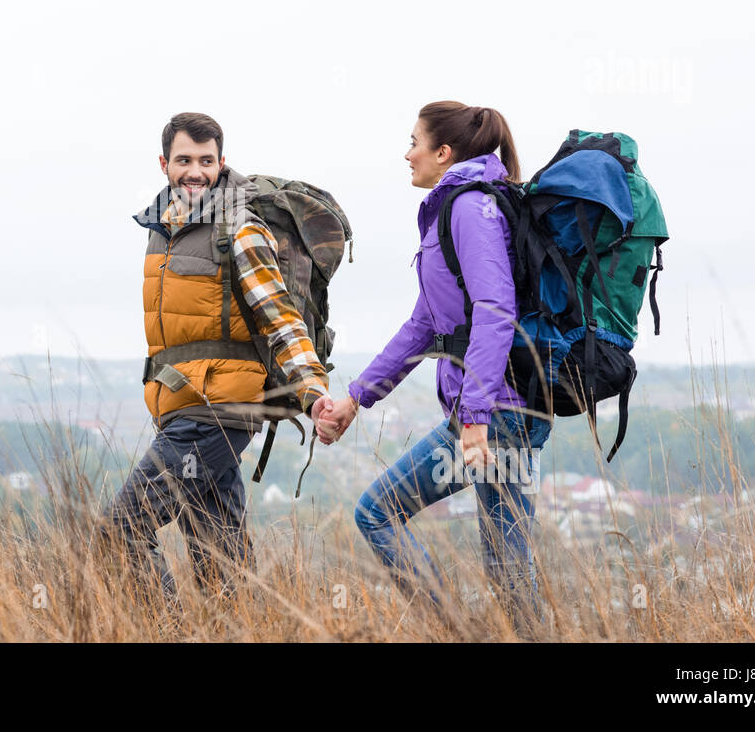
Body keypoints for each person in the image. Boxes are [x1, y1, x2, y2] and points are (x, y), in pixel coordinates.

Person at [313, 101, 551, 627]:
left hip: (498, 411)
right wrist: (356, 397)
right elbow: (425, 325)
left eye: (415, 142)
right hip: (506, 408)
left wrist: (475, 416)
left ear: (443, 153)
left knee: (377, 513)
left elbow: (494, 310)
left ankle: (457, 633)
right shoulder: (456, 209)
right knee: (508, 565)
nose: (407, 153)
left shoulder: (469, 209)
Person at [101, 111, 329, 603]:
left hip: (217, 411)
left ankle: (165, 632)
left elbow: (280, 317)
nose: (195, 171)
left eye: (206, 161)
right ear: (164, 163)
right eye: (184, 160)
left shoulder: (239, 226)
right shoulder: (161, 228)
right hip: (185, 405)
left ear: (222, 162)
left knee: (120, 530)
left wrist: (313, 393)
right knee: (220, 560)